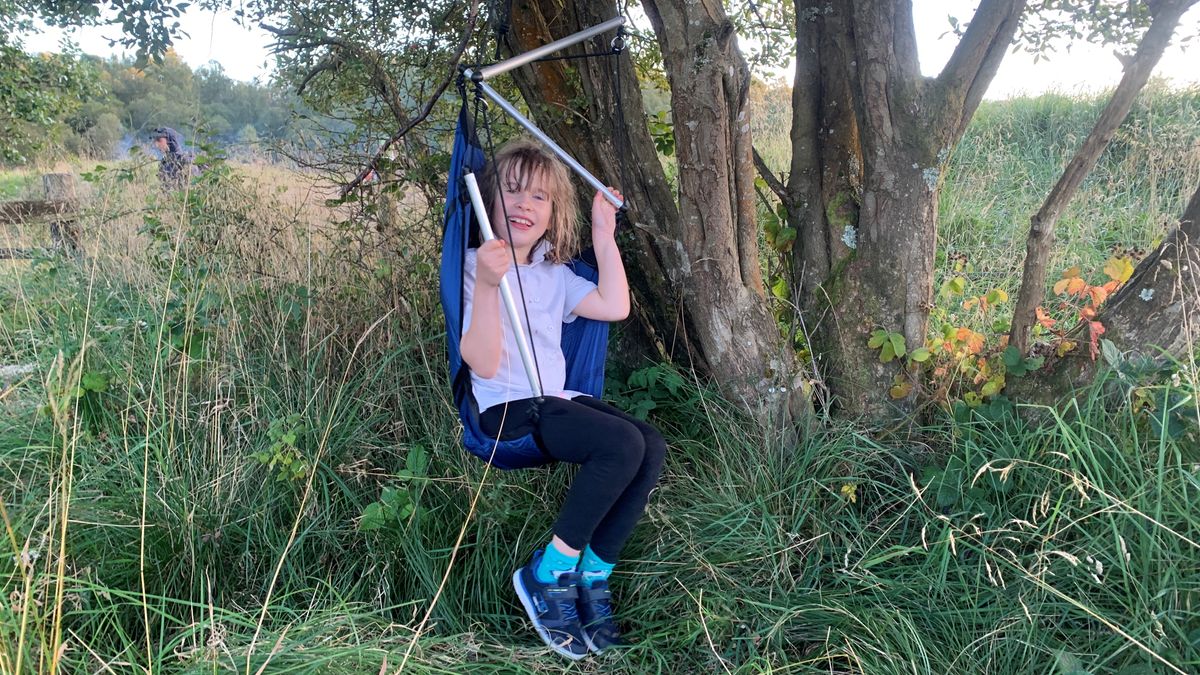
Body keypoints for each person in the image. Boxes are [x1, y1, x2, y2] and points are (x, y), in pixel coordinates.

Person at [460, 138, 666, 659]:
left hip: (555, 399)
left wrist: (603, 234)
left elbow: (615, 306)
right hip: (507, 411)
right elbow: (481, 363)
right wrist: (488, 284)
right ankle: (547, 573)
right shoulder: (473, 268)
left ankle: (591, 577)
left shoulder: (556, 275)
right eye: (511, 191)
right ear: (488, 199)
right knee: (620, 444)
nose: (524, 205)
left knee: (649, 445)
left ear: (554, 213)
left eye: (539, 197)